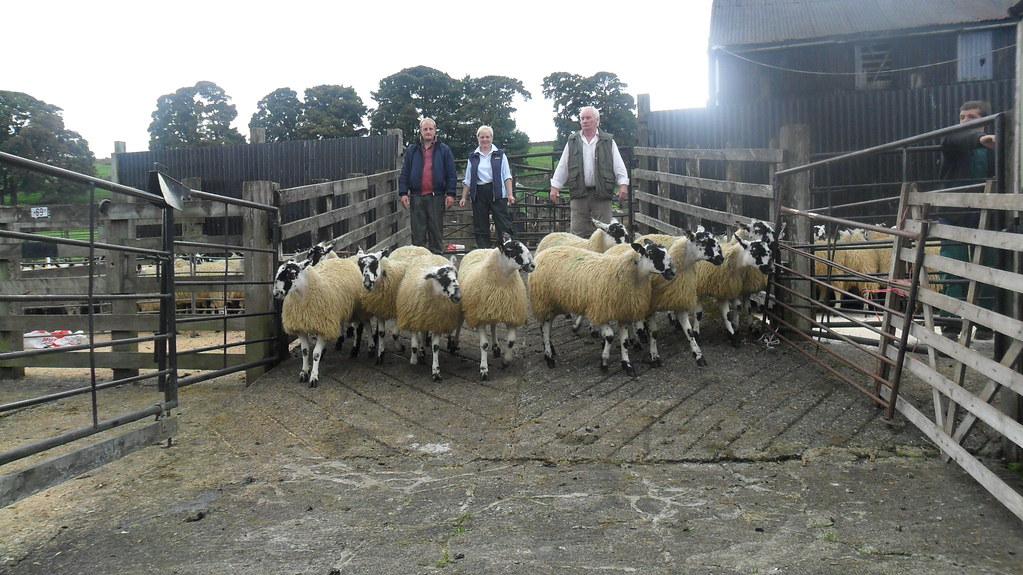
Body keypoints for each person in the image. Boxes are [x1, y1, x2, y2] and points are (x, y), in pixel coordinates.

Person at [937, 100, 997, 341]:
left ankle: (985, 323)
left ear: (985, 120)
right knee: (954, 266)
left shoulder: (997, 145)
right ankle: (951, 324)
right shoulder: (953, 139)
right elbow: (952, 139)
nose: (965, 121)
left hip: (989, 213)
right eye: (962, 117)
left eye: (972, 117)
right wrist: (981, 139)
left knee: (990, 267)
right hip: (955, 213)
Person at [549, 106, 630, 237]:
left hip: (602, 195)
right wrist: (555, 187)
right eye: (582, 118)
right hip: (579, 193)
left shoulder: (608, 141)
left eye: (588, 118)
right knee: (577, 234)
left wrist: (623, 185)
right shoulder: (572, 141)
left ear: (597, 120)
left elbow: (618, 165)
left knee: (605, 234)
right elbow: (563, 166)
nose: (584, 121)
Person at [398, 118, 457, 254]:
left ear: (435, 130)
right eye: (425, 129)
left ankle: (436, 261)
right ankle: (420, 263)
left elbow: (451, 173)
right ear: (421, 131)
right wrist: (403, 193)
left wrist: (451, 194)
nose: (428, 131)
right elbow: (405, 172)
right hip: (416, 197)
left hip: (436, 197)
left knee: (436, 233)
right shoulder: (412, 150)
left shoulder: (444, 150)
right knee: (418, 235)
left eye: (431, 129)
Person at [459, 125, 516, 249]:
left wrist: (510, 194)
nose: (485, 140)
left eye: (487, 137)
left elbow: (507, 175)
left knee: (503, 223)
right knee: (481, 226)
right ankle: (484, 251)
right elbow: (468, 179)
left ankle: (508, 249)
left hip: (497, 192)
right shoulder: (473, 157)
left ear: (492, 138)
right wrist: (464, 197)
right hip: (479, 192)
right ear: (478, 138)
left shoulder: (500, 155)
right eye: (482, 137)